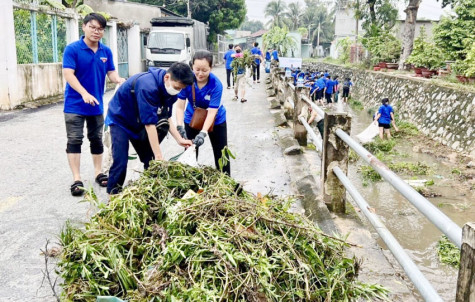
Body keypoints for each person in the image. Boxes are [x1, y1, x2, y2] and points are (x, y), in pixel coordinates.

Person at [105, 62, 194, 194]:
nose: (177, 90)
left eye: (181, 89)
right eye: (177, 87)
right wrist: (159, 155)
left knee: (151, 162)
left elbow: (166, 117)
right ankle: (112, 196)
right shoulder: (147, 87)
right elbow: (149, 124)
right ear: (167, 77)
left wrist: (179, 139)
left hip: (139, 121)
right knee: (120, 162)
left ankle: (151, 193)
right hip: (121, 120)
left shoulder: (171, 91)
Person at [62, 13, 125, 196]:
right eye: (93, 27)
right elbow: (69, 75)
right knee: (74, 140)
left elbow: (111, 73)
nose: (96, 32)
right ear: (84, 27)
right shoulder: (72, 49)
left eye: (100, 29)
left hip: (96, 105)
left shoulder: (106, 51)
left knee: (96, 139)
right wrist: (83, 93)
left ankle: (99, 172)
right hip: (74, 105)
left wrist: (119, 80)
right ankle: (76, 179)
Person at [176, 50, 231, 175]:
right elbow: (180, 106)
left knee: (221, 153)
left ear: (211, 68)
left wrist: (203, 133)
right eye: (197, 69)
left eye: (204, 70)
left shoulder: (216, 84)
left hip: (216, 121)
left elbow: (212, 112)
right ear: (192, 67)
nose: (200, 74)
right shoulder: (187, 80)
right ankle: (190, 183)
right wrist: (179, 126)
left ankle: (227, 185)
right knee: (190, 153)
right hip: (192, 119)